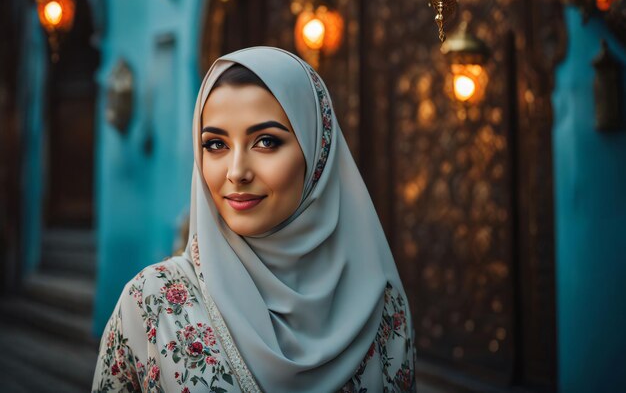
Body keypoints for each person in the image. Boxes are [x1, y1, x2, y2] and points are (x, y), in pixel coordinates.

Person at [92, 46, 416, 393]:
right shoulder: (152, 304)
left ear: (316, 153)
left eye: (265, 141)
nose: (236, 172)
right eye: (215, 144)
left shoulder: (380, 305)